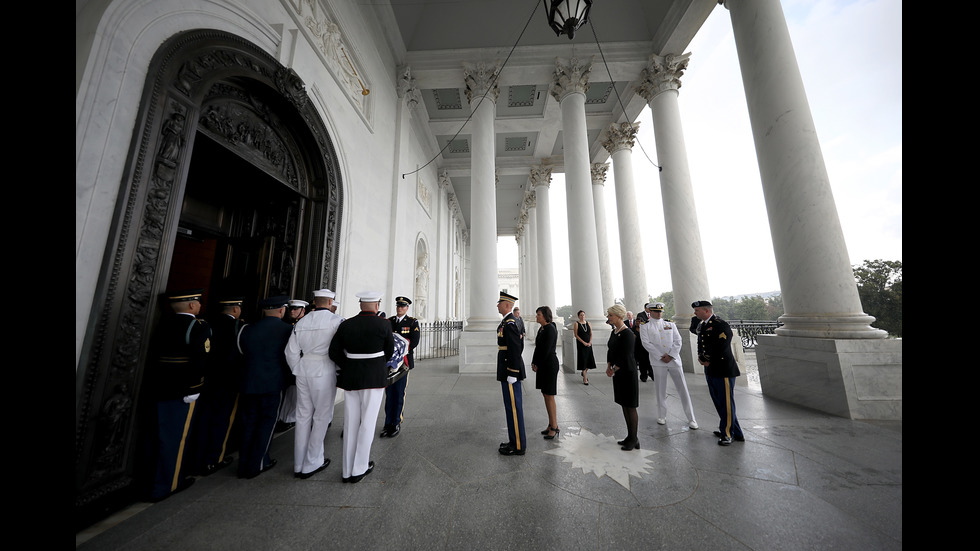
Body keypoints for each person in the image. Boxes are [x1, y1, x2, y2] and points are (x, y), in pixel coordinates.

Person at [144, 288, 211, 500]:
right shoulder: (197, 326)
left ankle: (151, 482)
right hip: (183, 389)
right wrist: (195, 388)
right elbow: (200, 360)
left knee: (157, 436)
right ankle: (169, 484)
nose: (200, 305)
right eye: (198, 302)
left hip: (160, 387)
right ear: (192, 305)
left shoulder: (163, 323)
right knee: (176, 438)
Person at [329, 291, 394, 483]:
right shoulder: (383, 324)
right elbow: (389, 351)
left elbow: (334, 352)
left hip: (352, 377)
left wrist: (349, 364)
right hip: (374, 377)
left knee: (350, 423)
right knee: (367, 423)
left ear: (360, 305)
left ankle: (347, 469)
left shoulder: (346, 324)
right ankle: (360, 467)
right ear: (376, 305)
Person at [285, 289, 343, 479]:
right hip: (324, 369)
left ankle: (299, 463)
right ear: (330, 301)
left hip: (304, 369)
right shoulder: (336, 321)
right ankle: (312, 461)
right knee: (321, 416)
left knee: (302, 416)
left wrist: (297, 368)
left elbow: (290, 351)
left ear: (315, 302)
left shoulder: (302, 321)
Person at [236, 295, 292, 478]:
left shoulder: (246, 329)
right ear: (282, 310)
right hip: (272, 383)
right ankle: (259, 462)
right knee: (267, 423)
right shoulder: (287, 330)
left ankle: (243, 463)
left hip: (249, 382)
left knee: (249, 423)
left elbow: (241, 353)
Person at [191, 294, 244, 477]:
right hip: (228, 381)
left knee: (204, 418)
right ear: (236, 309)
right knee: (222, 420)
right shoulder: (238, 326)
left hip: (207, 379)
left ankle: (197, 459)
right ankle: (214, 459)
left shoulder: (205, 324)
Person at [691, 300, 744, 446]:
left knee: (726, 403)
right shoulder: (703, 325)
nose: (695, 313)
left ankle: (727, 433)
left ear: (706, 311)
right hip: (710, 368)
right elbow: (700, 343)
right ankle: (736, 432)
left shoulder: (720, 324)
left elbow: (721, 345)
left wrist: (707, 358)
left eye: (697, 311)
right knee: (719, 402)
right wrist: (701, 357)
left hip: (722, 369)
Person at [639, 302, 698, 430]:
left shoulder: (670, 324)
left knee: (683, 389)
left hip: (674, 360)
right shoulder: (645, 326)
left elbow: (678, 340)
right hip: (658, 361)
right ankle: (662, 415)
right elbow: (646, 343)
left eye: (660, 311)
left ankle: (691, 418)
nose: (659, 313)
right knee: (660, 389)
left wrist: (671, 355)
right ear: (650, 312)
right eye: (656, 311)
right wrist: (661, 356)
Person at [381, 296, 421, 438]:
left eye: (402, 306)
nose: (399, 308)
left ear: (407, 308)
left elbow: (414, 341)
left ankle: (396, 422)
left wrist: (400, 348)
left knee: (399, 393)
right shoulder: (389, 321)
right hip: (389, 363)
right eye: (398, 306)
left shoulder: (412, 322)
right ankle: (387, 423)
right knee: (389, 393)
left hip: (403, 363)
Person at [605, 304, 639, 451]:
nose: (608, 317)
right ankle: (630, 436)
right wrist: (608, 365)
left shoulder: (628, 334)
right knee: (624, 404)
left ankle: (634, 438)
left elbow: (627, 355)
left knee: (630, 406)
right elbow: (611, 350)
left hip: (627, 372)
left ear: (619, 316)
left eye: (610, 315)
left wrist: (614, 368)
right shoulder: (614, 332)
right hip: (617, 372)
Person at [496, 291, 527, 456]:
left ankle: (519, 445)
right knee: (510, 407)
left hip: (510, 370)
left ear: (507, 305)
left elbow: (516, 349)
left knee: (514, 408)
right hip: (506, 368)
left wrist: (513, 372)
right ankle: (513, 440)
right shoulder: (506, 322)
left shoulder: (510, 323)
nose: (497, 305)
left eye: (499, 303)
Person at [277, 299, 308, 432]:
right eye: (291, 309)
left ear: (303, 311)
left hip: (298, 364)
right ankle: (284, 417)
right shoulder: (286, 324)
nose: (292, 311)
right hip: (285, 364)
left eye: (296, 309)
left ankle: (288, 418)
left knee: (294, 393)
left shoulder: (305, 325)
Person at [531, 306, 560, 440]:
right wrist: (533, 361)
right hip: (543, 364)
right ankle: (551, 424)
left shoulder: (550, 329)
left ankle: (554, 427)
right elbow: (538, 348)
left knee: (550, 395)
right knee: (545, 394)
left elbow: (547, 350)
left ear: (545, 316)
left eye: (538, 315)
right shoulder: (541, 329)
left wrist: (539, 363)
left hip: (549, 365)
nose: (537, 317)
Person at [573, 310, 597, 385]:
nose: (582, 316)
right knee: (583, 359)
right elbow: (576, 335)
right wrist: (583, 342)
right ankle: (585, 378)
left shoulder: (588, 323)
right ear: (578, 316)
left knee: (589, 360)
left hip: (588, 344)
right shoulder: (576, 324)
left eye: (583, 315)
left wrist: (589, 342)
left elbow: (591, 334)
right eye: (581, 315)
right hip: (581, 344)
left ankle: (583, 372)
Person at [632, 304, 654, 382]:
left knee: (649, 363)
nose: (638, 323)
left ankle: (652, 374)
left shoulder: (645, 329)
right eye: (636, 322)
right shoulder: (633, 330)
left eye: (639, 322)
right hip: (638, 349)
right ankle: (643, 376)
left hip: (646, 348)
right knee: (642, 364)